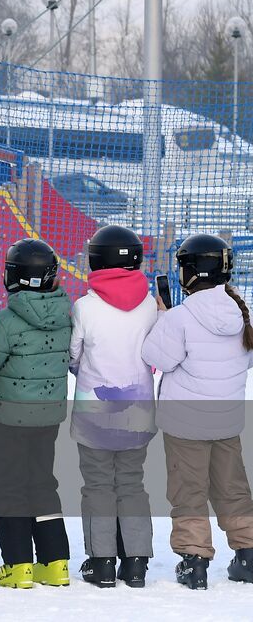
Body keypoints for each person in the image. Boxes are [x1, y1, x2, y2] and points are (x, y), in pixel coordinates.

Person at [141, 234, 253, 590]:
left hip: (186, 423)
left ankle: (194, 561)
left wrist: (163, 318)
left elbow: (156, 358)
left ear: (190, 272)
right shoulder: (240, 311)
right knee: (232, 487)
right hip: (227, 419)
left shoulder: (180, 317)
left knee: (189, 490)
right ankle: (248, 553)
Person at [0, 238, 73, 589]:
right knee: (43, 482)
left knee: (11, 487)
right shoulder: (66, 316)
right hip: (48, 416)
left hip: (8, 419)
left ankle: (18, 565)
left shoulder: (4, 321)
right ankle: (55, 562)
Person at [70, 225, 157, 588]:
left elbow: (74, 355)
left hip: (95, 411)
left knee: (99, 485)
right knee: (132, 483)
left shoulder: (85, 307)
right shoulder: (152, 304)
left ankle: (102, 561)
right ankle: (136, 562)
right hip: (137, 409)